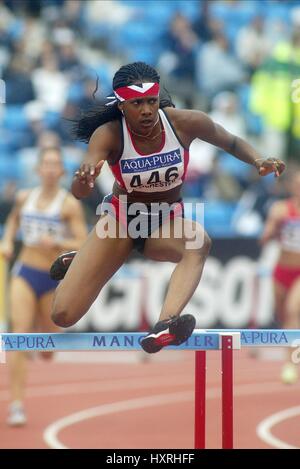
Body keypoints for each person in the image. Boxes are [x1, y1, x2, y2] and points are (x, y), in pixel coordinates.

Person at [49, 61, 285, 354]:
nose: (147, 110)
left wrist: (258, 160)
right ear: (122, 106)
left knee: (198, 242)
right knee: (63, 315)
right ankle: (85, 256)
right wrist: (84, 181)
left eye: (151, 101)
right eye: (137, 104)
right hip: (122, 222)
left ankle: (164, 325)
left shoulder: (184, 123)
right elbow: (79, 193)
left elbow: (230, 141)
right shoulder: (109, 135)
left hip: (164, 221)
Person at [0, 146, 87, 426]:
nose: (50, 169)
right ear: (38, 170)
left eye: (55, 164)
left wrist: (59, 243)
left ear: (61, 171)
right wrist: (7, 241)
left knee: (48, 351)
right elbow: (13, 222)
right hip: (25, 272)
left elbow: (83, 243)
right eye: (45, 164)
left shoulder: (68, 205)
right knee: (19, 335)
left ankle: (40, 332)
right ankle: (16, 404)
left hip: (51, 279)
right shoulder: (25, 197)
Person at [260, 168, 300, 384]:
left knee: (294, 311)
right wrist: (274, 227)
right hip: (281, 270)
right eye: (297, 184)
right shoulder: (280, 209)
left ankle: (291, 364)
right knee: (285, 317)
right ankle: (290, 357)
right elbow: (264, 239)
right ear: (292, 187)